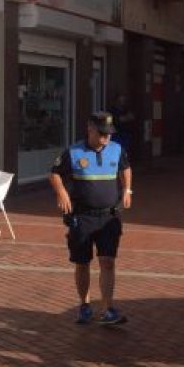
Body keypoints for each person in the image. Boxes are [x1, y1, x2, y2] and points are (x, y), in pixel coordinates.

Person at [48, 111, 133, 325]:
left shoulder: (116, 149)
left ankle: (107, 308)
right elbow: (55, 173)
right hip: (82, 217)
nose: (106, 138)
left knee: (107, 261)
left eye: (109, 134)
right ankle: (85, 305)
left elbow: (125, 168)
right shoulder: (74, 152)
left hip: (109, 216)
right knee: (82, 263)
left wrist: (127, 190)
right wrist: (61, 192)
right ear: (90, 129)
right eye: (102, 134)